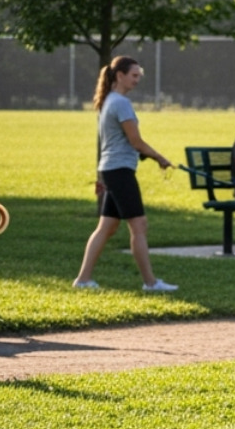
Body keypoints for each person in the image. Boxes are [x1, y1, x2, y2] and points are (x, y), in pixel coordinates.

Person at [72, 56, 179, 292]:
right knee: (139, 224)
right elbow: (136, 141)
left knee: (107, 227)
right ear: (119, 75)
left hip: (112, 169)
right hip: (119, 171)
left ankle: (83, 280)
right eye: (134, 75)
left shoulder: (110, 100)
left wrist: (146, 154)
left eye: (139, 75)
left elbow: (126, 142)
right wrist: (159, 157)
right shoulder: (120, 103)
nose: (138, 79)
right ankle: (150, 283)